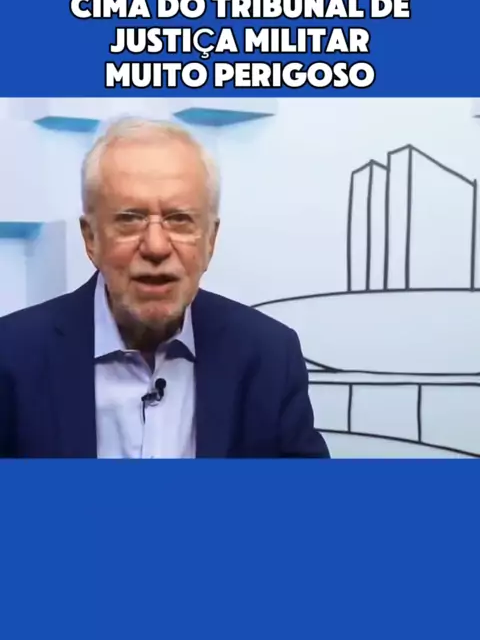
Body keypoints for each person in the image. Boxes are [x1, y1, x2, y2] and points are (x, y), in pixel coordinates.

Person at [0, 118, 329, 459]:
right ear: (91, 239)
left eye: (180, 219)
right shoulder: (11, 355)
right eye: (129, 219)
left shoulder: (269, 356)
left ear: (210, 240)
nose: (156, 247)